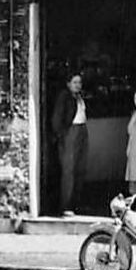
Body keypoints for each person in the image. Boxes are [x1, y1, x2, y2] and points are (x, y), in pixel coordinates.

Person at [50, 73, 89, 216]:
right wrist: (62, 135)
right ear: (68, 84)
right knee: (68, 171)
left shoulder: (79, 97)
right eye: (75, 82)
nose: (78, 85)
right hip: (70, 132)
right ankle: (66, 206)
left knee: (80, 168)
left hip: (81, 131)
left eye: (79, 82)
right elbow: (56, 119)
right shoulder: (64, 97)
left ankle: (76, 204)